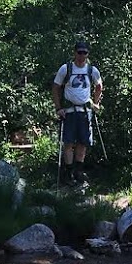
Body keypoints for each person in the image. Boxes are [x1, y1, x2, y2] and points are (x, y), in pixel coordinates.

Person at [53, 38, 103, 186]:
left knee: (83, 142)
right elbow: (55, 88)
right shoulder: (66, 68)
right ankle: (68, 173)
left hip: (84, 110)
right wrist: (58, 108)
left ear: (87, 54)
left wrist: (95, 103)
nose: (82, 56)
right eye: (79, 52)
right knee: (68, 142)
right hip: (69, 111)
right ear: (75, 53)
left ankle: (78, 172)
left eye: (84, 53)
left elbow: (99, 85)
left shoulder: (92, 70)